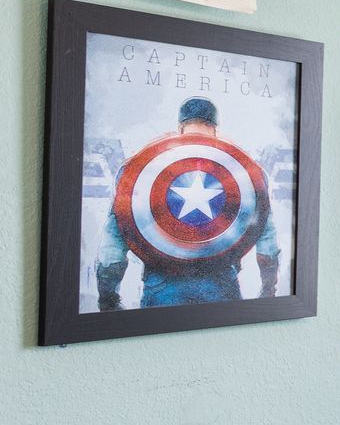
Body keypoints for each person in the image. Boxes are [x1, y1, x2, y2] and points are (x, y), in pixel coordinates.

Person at [96, 96, 279, 309]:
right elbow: (268, 242)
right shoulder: (244, 172)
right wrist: (268, 291)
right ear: (215, 129)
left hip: (162, 288)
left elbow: (112, 246)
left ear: (180, 127)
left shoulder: (140, 169)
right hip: (222, 286)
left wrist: (108, 299)